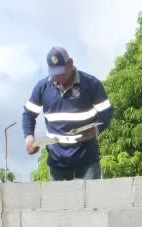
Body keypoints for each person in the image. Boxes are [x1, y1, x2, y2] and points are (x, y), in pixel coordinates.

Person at [22, 46, 114, 181]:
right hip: (56, 161)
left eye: (62, 72)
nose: (59, 77)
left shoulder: (91, 84)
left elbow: (106, 112)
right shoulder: (42, 88)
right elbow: (28, 114)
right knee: (58, 201)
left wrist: (96, 129)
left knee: (88, 201)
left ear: (70, 63)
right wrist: (29, 139)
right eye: (55, 73)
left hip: (86, 159)